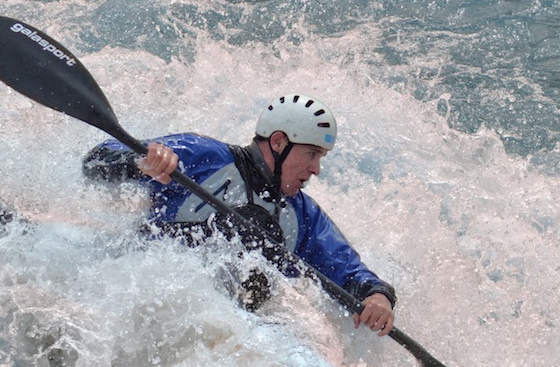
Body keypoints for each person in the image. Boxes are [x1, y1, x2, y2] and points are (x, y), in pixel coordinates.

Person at [81, 94, 396, 335]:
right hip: (148, 305)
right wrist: (139, 163)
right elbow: (95, 161)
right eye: (312, 154)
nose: (316, 169)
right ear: (278, 143)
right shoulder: (201, 156)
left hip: (233, 335)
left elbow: (348, 271)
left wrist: (377, 297)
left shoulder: (302, 216)